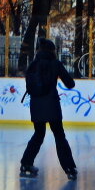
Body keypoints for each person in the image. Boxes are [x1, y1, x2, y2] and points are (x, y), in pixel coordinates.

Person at [20, 38, 78, 179]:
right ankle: (69, 168)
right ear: (52, 51)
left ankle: (26, 163)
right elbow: (70, 84)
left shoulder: (33, 65)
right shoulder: (55, 64)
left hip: (36, 105)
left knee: (38, 134)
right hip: (51, 105)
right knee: (59, 135)